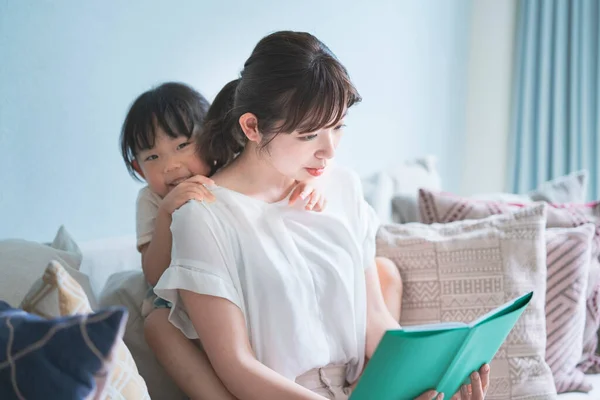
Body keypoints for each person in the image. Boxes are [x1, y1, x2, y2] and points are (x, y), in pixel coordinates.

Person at [154, 31, 489, 400]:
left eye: (338, 126)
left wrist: (436, 380)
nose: (329, 150)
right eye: (310, 134)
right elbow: (235, 364)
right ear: (252, 127)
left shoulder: (342, 187)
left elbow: (376, 322)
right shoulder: (204, 217)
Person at [120, 82, 325, 399]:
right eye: (152, 156)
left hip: (233, 292)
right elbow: (155, 274)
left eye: (182, 146)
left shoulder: (233, 168)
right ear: (138, 167)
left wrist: (309, 183)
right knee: (157, 327)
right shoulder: (151, 200)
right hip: (177, 301)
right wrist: (165, 215)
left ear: (209, 136)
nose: (170, 165)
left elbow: (281, 171)